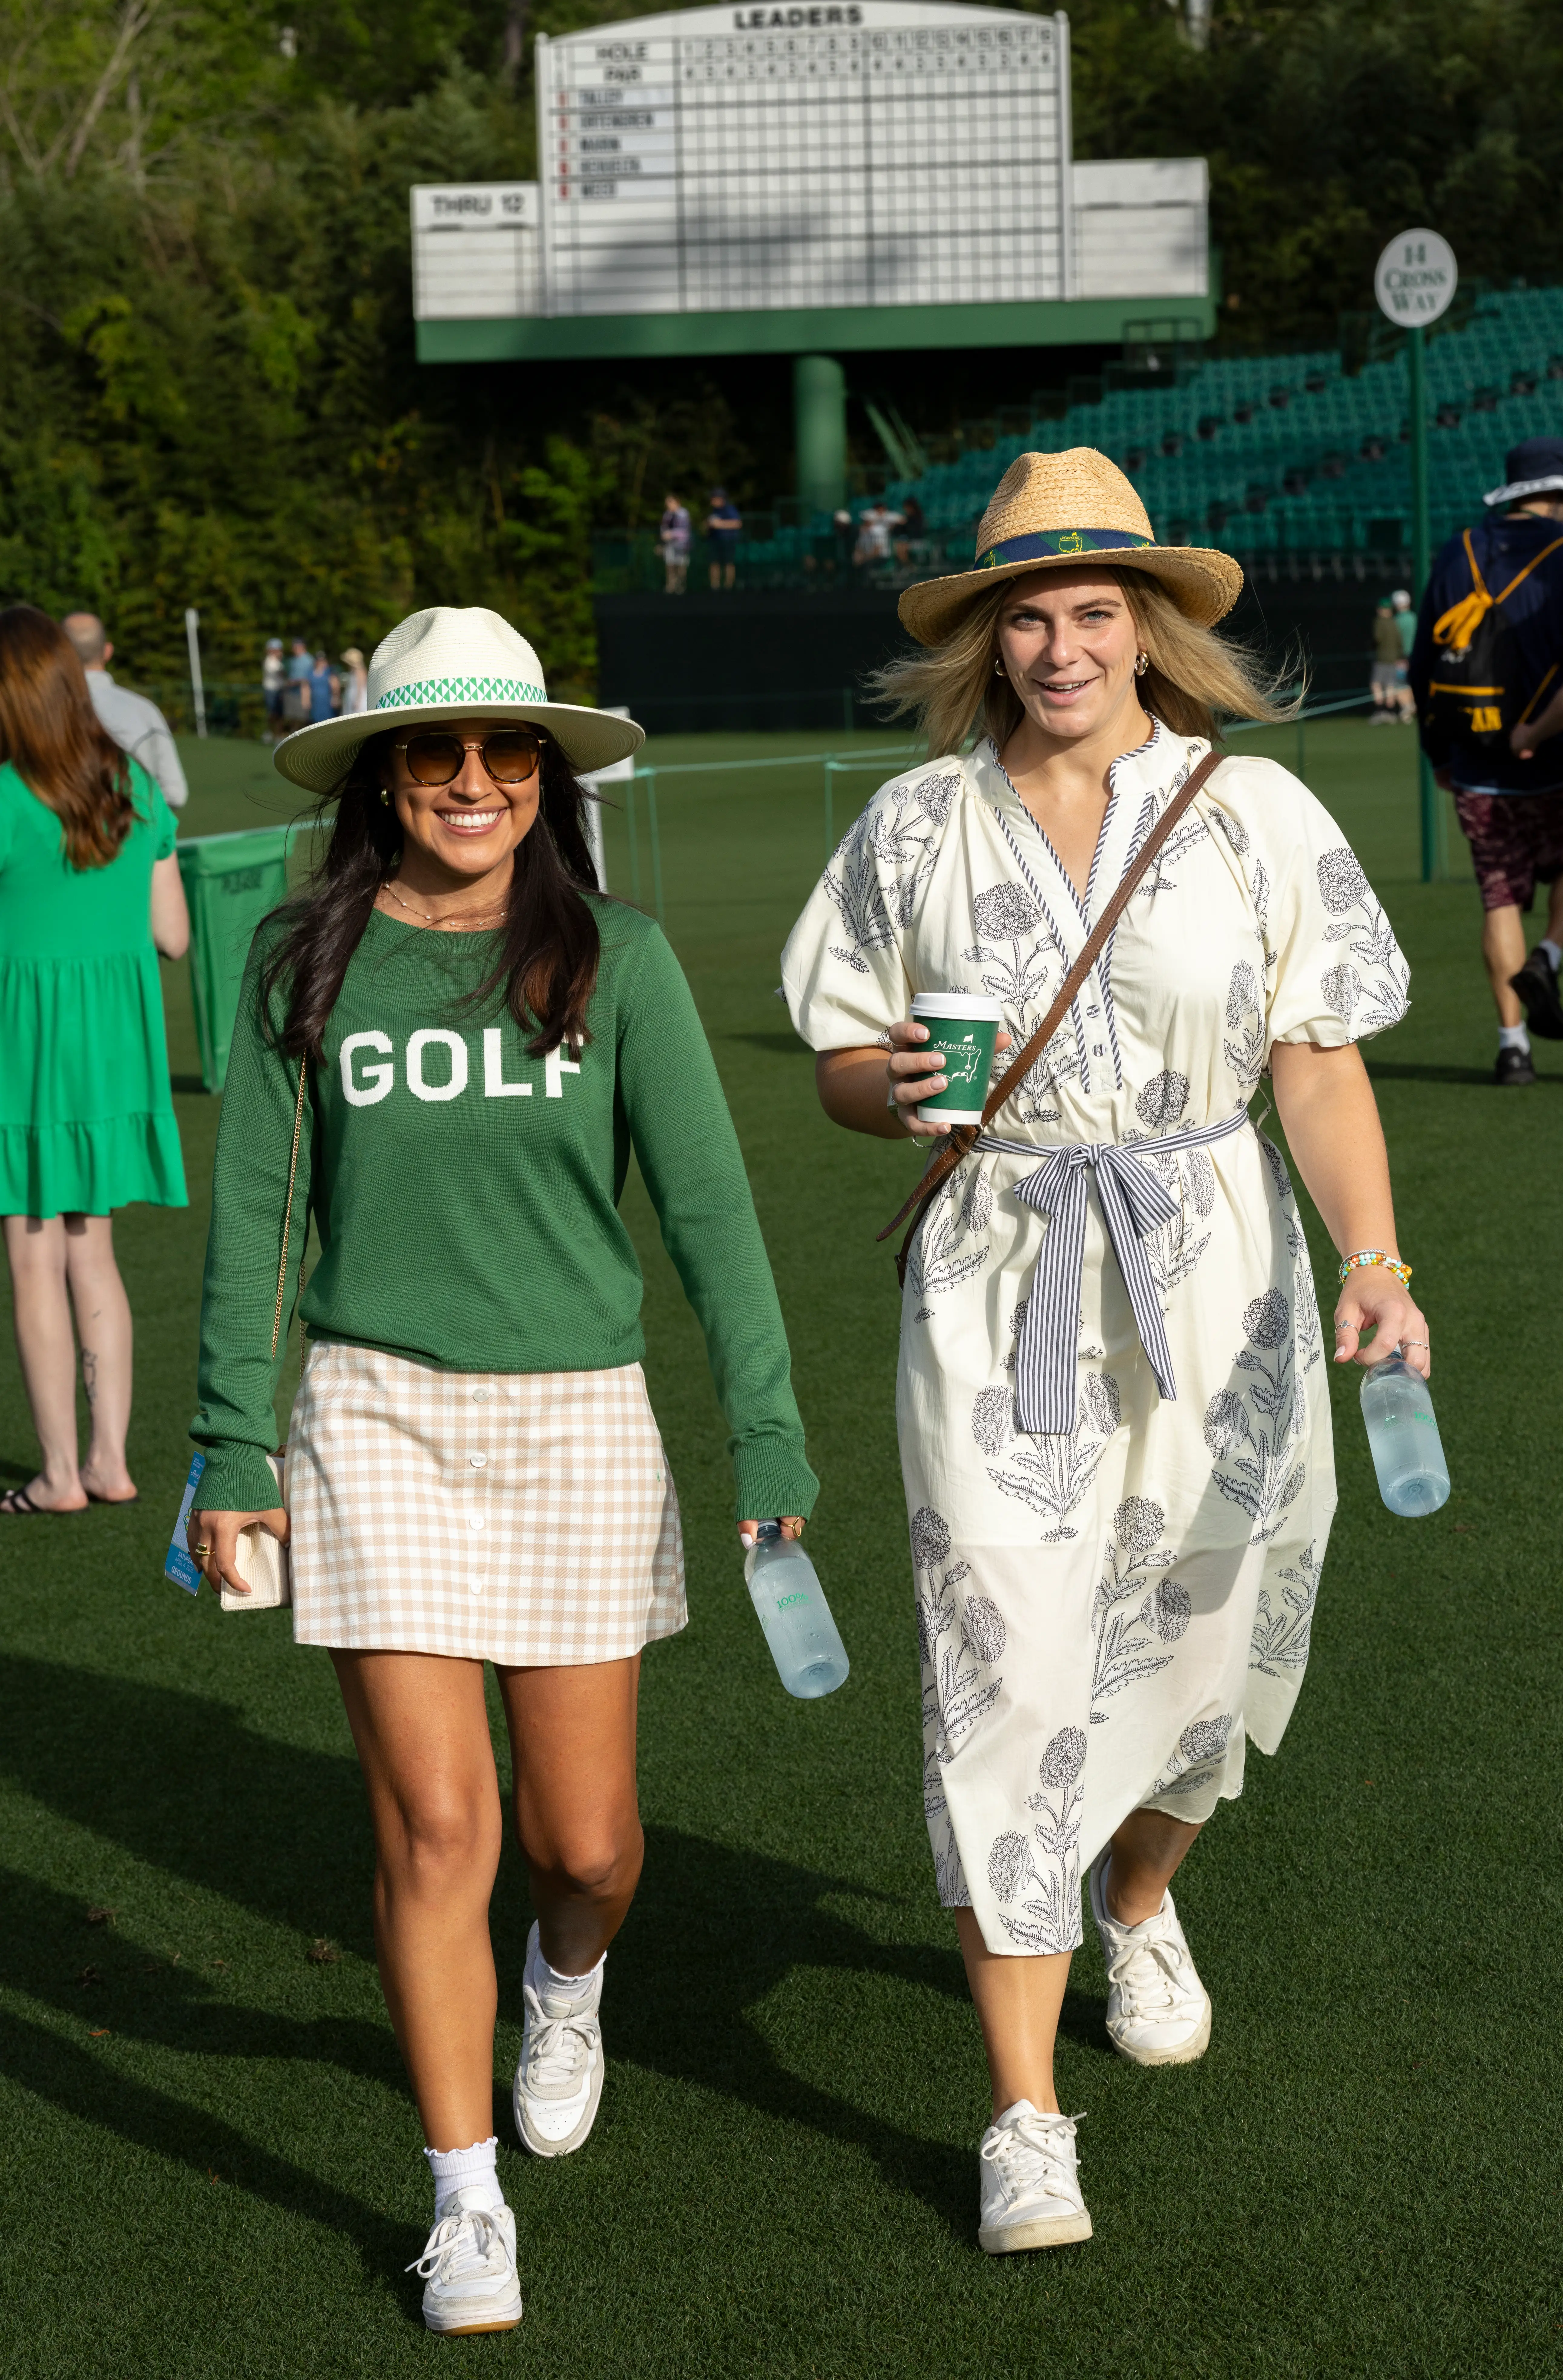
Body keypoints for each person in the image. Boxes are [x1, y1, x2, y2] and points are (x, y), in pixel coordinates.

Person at [781, 448, 1424, 2258]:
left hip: (1221, 1278)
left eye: (1089, 611)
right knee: (1000, 1659)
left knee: (1210, 1646)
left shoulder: (1251, 811)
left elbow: (1313, 1061)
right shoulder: (913, 825)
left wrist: (1373, 1258)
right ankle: (1021, 2113)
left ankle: (1136, 1893)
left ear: (1148, 626)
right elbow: (842, 1059)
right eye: (1024, 618)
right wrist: (890, 1087)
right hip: (998, 1280)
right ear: (982, 640)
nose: (1057, 647)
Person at [183, 606, 817, 2334]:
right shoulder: (300, 958)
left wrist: (764, 1425)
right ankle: (462, 2198)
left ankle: (565, 1979)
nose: (473, 779)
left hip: (579, 1418)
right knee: (439, 1822)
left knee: (585, 1843)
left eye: (506, 749)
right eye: (436, 750)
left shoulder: (620, 959)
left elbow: (709, 1216)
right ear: (381, 774)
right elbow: (256, 1221)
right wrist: (231, 1438)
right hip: (372, 1412)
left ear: (546, 771)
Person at [0, 605, 189, 1516]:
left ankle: (58, 1474)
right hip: (115, 1053)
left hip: (25, 1050)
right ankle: (109, 1460)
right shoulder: (137, 790)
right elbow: (174, 935)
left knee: (32, 1254)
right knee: (92, 1251)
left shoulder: (4, 795)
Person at [1409, 434, 1563, 1082]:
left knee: (1498, 898)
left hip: (1474, 760)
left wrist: (1438, 754)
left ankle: (1511, 1047)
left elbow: (1422, 666)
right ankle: (1547, 956)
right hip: (1554, 757)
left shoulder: (1459, 551)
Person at [60, 610, 189, 810]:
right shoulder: (144, 711)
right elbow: (176, 794)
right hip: (131, 826)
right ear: (108, 651)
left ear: (60, 654)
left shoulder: (41, 713)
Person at [1368, 598, 1401, 721]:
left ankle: (1380, 711)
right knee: (1390, 686)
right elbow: (1399, 641)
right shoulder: (1394, 622)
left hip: (1382, 659)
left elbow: (1377, 638)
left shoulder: (1379, 622)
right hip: (1393, 659)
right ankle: (1391, 712)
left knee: (1376, 684)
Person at [706, 487, 742, 590]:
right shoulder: (714, 511)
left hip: (728, 540)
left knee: (729, 563)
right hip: (715, 540)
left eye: (714, 498)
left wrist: (720, 524)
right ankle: (715, 587)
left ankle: (728, 587)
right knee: (714, 563)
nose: (712, 501)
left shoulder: (729, 509)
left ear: (721, 499)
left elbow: (737, 524)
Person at [1390, 589, 1416, 720]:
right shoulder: (1414, 618)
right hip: (1414, 656)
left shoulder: (1395, 621)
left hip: (1400, 657)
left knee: (1400, 684)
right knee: (1411, 682)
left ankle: (1407, 708)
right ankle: (1411, 707)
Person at [658, 493, 691, 595]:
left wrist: (672, 535)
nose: (669, 505)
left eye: (671, 502)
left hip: (682, 545)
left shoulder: (683, 514)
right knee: (670, 565)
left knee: (681, 565)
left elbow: (685, 530)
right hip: (670, 545)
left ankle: (681, 586)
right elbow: (664, 528)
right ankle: (671, 585)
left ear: (677, 503)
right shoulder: (667, 515)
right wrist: (663, 538)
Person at [283, 636, 312, 728]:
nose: (294, 649)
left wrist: (295, 682)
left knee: (302, 718)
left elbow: (308, 679)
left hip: (302, 694)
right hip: (292, 692)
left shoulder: (308, 660)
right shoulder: (293, 660)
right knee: (292, 717)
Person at [308, 647, 339, 726]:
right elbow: (307, 687)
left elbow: (335, 686)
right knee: (316, 721)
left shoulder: (329, 672)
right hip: (315, 702)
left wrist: (335, 698)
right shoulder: (311, 673)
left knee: (328, 720)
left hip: (327, 701)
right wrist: (307, 700)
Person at [262, 638, 286, 740]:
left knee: (280, 714)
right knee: (273, 713)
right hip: (271, 690)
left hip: (280, 690)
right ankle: (269, 733)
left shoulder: (280, 662)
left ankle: (278, 735)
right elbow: (281, 673)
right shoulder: (269, 661)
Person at [338, 647, 369, 716]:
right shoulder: (353, 672)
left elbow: (361, 688)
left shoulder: (360, 672)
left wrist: (358, 701)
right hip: (352, 696)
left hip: (358, 698)